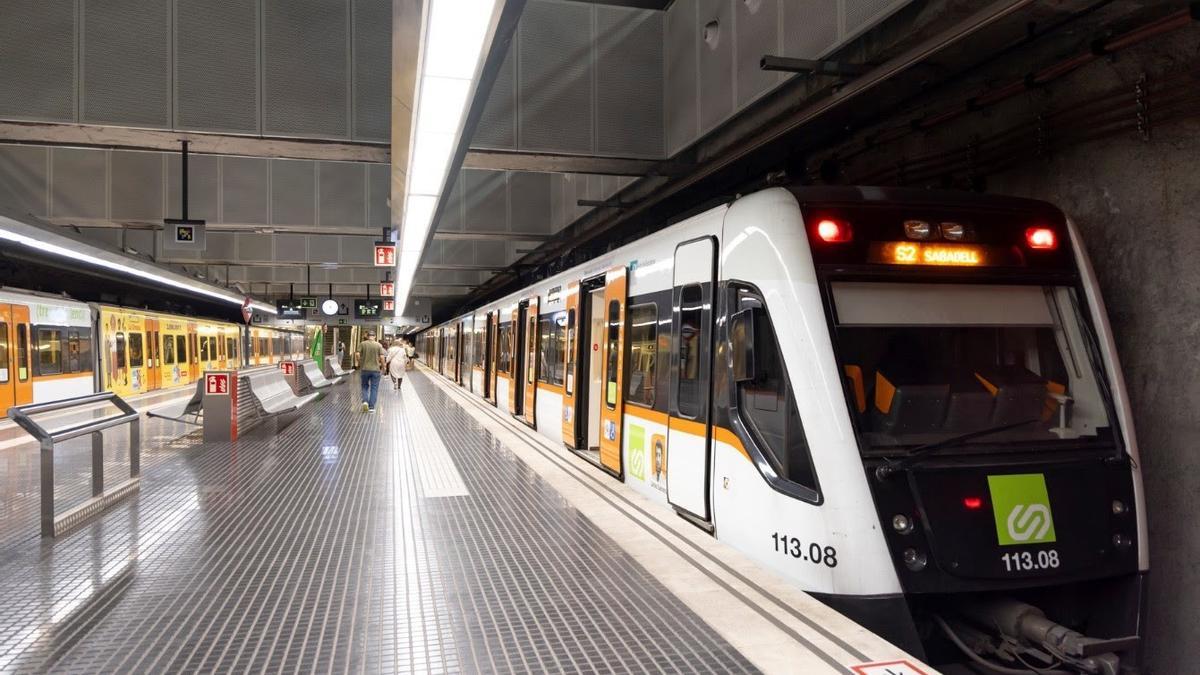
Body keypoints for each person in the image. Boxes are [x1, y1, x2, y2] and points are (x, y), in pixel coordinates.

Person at [354, 331, 385, 412]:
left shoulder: (362, 344)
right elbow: (382, 357)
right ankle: (371, 407)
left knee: (364, 386)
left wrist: (360, 362)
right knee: (374, 388)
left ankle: (365, 402)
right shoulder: (378, 345)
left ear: (367, 336)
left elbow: (357, 354)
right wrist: (383, 367)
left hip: (364, 369)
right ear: (374, 336)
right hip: (375, 370)